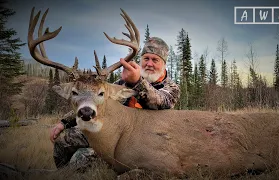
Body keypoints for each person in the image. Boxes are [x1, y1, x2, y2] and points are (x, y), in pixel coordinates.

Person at [50, 37, 181, 169]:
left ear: (164, 64)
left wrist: (137, 82)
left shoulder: (171, 88)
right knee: (64, 141)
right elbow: (98, 102)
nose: (149, 64)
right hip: (113, 132)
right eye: (146, 59)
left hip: (145, 140)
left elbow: (161, 103)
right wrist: (64, 122)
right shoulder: (122, 84)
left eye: (155, 60)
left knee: (82, 158)